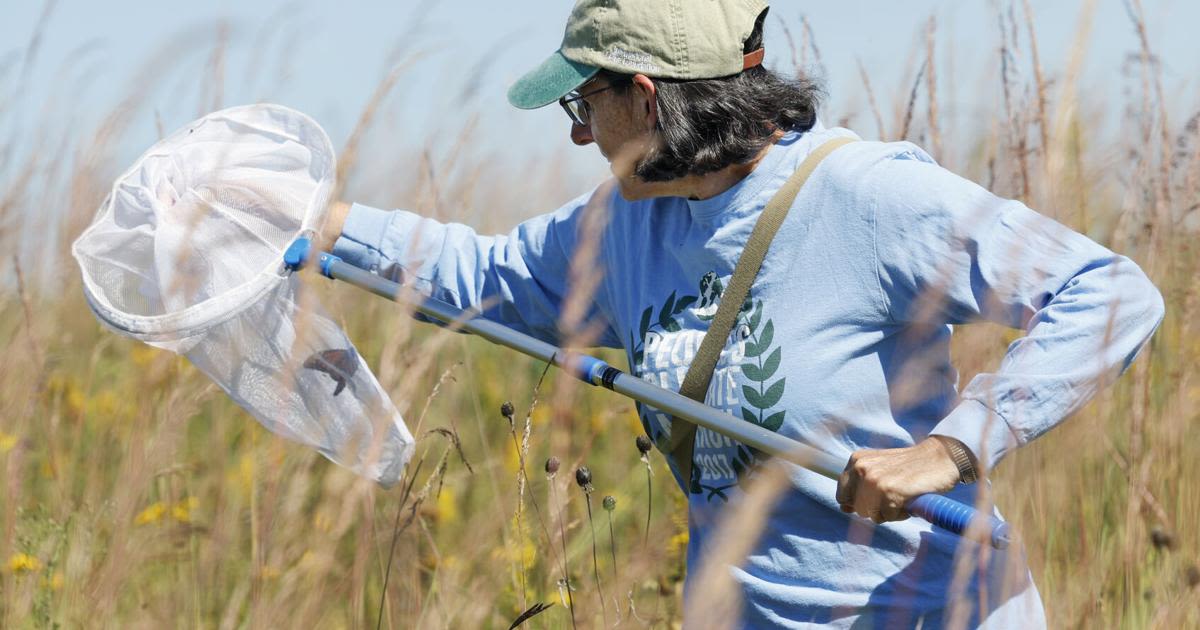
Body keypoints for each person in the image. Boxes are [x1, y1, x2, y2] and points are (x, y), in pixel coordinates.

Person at [318, 1, 1164, 627]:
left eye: (584, 104)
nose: (579, 135)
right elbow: (482, 273)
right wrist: (318, 225)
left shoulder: (869, 196)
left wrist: (950, 450)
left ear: (646, 98)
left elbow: (1111, 294)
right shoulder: (624, 226)